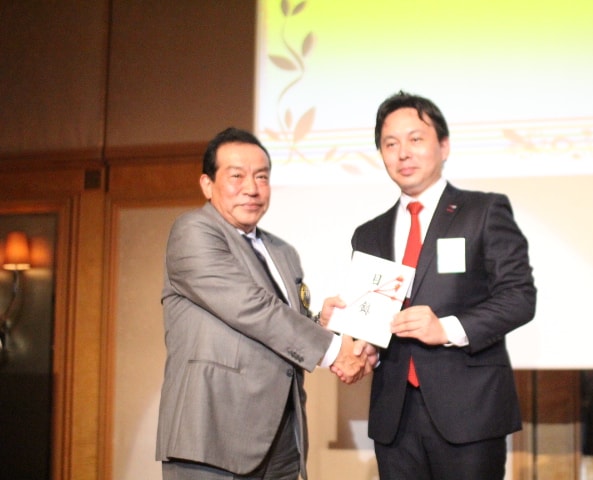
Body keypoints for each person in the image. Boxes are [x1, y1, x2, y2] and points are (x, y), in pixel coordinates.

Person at [156, 127, 371, 480]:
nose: (252, 188)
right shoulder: (193, 231)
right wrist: (334, 351)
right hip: (212, 433)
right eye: (236, 176)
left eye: (262, 177)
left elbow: (281, 321)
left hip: (282, 438)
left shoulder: (282, 251)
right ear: (207, 184)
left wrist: (320, 323)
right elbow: (251, 308)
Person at [350, 91, 536, 479]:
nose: (403, 153)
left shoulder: (483, 211)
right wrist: (358, 340)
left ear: (444, 146)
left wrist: (446, 329)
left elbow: (519, 297)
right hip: (394, 418)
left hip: (470, 414)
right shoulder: (368, 234)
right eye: (390, 144)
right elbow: (373, 319)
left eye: (415, 139)